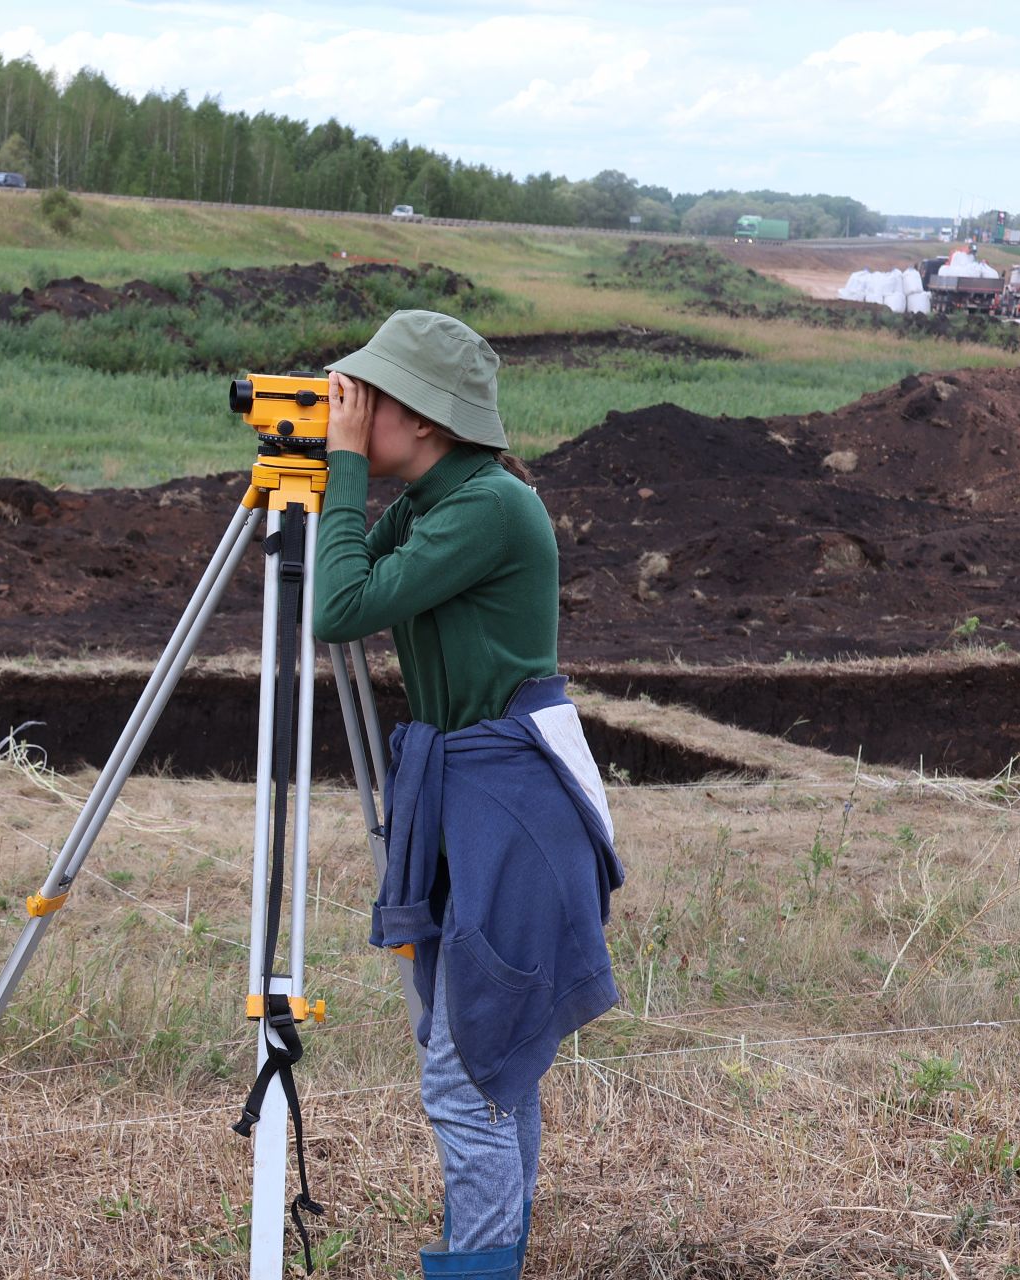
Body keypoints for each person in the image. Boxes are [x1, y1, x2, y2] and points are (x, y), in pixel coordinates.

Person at [312, 310, 626, 1279]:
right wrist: (350, 473)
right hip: (470, 789)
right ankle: (498, 1256)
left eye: (370, 398)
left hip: (510, 802)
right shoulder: (441, 499)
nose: (353, 412)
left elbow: (337, 609)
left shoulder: (489, 504)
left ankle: (482, 1266)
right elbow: (352, 576)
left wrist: (343, 468)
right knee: (490, 1065)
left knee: (471, 1067)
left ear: (425, 415)